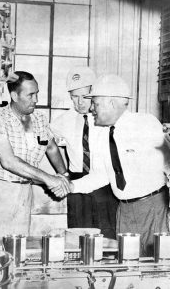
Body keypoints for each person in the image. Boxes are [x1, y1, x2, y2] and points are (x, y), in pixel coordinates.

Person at [51, 74, 170, 256]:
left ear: (111, 103)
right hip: (124, 212)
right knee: (127, 266)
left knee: (156, 266)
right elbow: (102, 174)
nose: (92, 109)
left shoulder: (145, 124)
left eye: (95, 104)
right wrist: (71, 186)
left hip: (153, 209)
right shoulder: (104, 134)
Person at [0, 71, 69, 240]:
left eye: (37, 94)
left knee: (18, 247)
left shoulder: (39, 120)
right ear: (14, 95)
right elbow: (9, 161)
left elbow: (51, 148)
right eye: (30, 95)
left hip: (25, 191)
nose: (35, 100)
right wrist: (49, 179)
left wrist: (63, 175)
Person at [51, 67, 118, 238]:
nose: (79, 102)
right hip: (77, 185)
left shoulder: (108, 118)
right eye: (74, 97)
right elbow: (46, 141)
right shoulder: (61, 122)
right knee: (77, 236)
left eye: (85, 97)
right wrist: (62, 172)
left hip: (105, 184)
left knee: (106, 235)